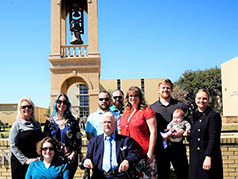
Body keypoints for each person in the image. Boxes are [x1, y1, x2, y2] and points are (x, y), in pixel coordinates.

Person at [83, 112, 140, 179]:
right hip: (100, 176)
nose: (106, 124)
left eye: (109, 122)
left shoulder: (126, 140)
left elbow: (135, 154)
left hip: (120, 175)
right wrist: (87, 161)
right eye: (104, 122)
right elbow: (88, 157)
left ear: (115, 124)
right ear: (101, 124)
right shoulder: (94, 142)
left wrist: (127, 160)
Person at [150, 79, 188, 179]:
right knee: (163, 175)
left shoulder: (181, 105)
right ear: (158, 90)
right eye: (163, 87)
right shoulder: (152, 108)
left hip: (178, 147)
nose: (165, 90)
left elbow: (189, 123)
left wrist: (183, 131)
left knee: (184, 174)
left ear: (171, 90)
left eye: (168, 88)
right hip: (161, 148)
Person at [120, 86, 157, 179]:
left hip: (143, 154)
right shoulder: (125, 113)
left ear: (140, 97)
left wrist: (150, 153)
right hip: (128, 155)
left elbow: (153, 132)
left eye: (135, 95)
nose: (133, 98)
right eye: (130, 96)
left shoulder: (147, 111)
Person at [44, 94, 82, 179]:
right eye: (59, 101)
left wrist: (73, 154)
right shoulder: (49, 122)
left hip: (69, 159)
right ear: (55, 104)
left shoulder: (73, 121)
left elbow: (78, 140)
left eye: (64, 102)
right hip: (53, 159)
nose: (62, 104)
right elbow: (45, 141)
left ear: (67, 105)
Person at [188, 89, 223, 179]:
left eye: (204, 98)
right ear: (195, 99)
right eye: (199, 98)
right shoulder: (194, 116)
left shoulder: (213, 116)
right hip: (195, 157)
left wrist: (208, 157)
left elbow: (213, 138)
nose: (201, 101)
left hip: (207, 157)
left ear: (208, 100)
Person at [9, 97, 44, 179]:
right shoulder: (16, 125)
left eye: (29, 106)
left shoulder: (37, 125)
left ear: (32, 109)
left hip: (34, 162)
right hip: (19, 163)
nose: (26, 109)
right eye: (23, 107)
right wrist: (25, 160)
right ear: (20, 109)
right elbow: (13, 146)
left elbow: (41, 143)